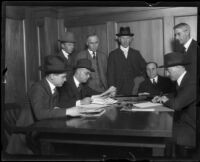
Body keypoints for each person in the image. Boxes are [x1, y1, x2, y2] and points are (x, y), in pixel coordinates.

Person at [6, 55, 85, 154]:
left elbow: (51, 109)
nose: (65, 80)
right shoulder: (38, 88)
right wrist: (68, 111)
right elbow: (40, 114)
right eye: (63, 77)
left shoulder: (54, 88)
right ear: (52, 76)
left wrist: (59, 109)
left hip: (41, 132)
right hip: (27, 137)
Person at [152, 52, 197, 149]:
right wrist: (163, 96)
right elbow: (178, 94)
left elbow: (177, 104)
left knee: (158, 131)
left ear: (177, 68)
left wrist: (164, 100)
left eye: (168, 70)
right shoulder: (185, 79)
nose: (167, 74)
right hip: (185, 121)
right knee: (161, 127)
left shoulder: (192, 82)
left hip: (192, 128)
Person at [107, 26, 146, 96]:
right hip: (118, 91)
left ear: (131, 39)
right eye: (123, 38)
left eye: (127, 38)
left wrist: (139, 81)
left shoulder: (136, 54)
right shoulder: (113, 54)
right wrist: (112, 88)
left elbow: (145, 69)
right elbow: (110, 74)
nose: (125, 41)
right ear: (119, 39)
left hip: (134, 90)